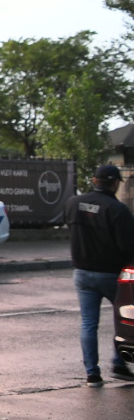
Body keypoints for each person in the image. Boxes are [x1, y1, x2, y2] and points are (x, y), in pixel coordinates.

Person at [64, 162, 134, 384]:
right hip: (112, 275)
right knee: (123, 319)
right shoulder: (117, 210)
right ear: (114, 183)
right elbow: (128, 246)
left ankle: (92, 374)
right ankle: (118, 362)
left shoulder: (73, 203)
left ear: (94, 181)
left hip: (82, 273)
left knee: (88, 323)